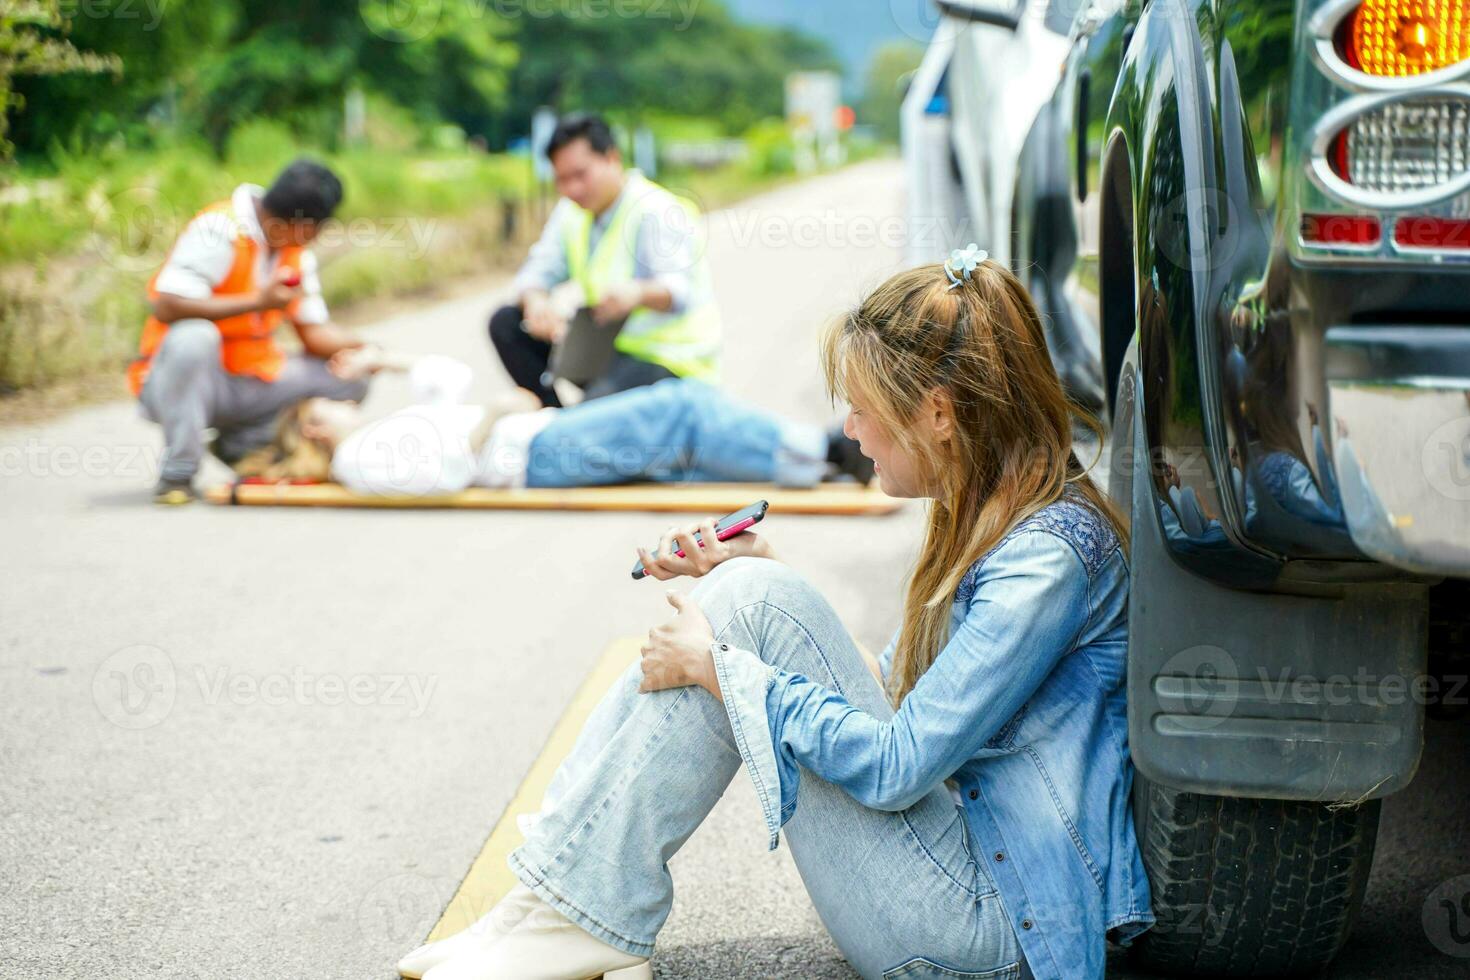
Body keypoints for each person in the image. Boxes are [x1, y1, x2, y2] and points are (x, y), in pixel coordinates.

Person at [396, 250, 1154, 980]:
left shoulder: (1042, 562)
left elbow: (896, 766)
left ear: (938, 413)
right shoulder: (996, 516)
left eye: (862, 408)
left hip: (988, 937)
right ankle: (552, 900)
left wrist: (721, 671)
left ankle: (577, 910)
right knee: (747, 595)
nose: (851, 431)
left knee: (736, 625)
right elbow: (889, 694)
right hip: (963, 884)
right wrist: (754, 577)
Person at [234, 348, 873, 492]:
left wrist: (388, 361)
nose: (339, 397)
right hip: (530, 454)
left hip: (531, 441)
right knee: (678, 407)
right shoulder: (358, 458)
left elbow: (444, 381)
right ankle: (822, 449)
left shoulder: (373, 437)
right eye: (322, 404)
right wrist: (495, 414)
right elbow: (443, 474)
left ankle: (816, 460)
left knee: (681, 439)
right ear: (314, 430)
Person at [129, 158, 373, 504]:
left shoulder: (294, 252)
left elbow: (315, 335)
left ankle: (244, 447)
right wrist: (258, 301)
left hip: (246, 380)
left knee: (349, 376)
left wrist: (368, 350)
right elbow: (167, 305)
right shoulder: (220, 229)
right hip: (181, 382)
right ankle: (178, 473)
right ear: (305, 225)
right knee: (195, 336)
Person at [488, 113, 721, 407]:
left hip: (666, 361)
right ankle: (556, 420)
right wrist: (536, 302)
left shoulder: (655, 210)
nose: (572, 189)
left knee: (594, 422)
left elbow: (678, 291)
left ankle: (576, 429)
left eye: (580, 175)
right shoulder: (571, 212)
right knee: (507, 323)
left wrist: (637, 293)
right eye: (561, 179)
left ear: (612, 158)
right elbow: (537, 271)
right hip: (602, 348)